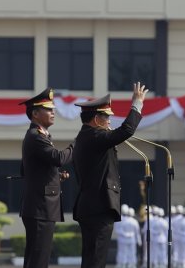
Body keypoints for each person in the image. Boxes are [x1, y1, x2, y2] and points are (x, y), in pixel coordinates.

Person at [72, 82, 148, 268]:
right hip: (98, 206)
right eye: (106, 117)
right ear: (96, 119)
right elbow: (126, 130)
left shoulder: (85, 137)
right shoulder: (94, 136)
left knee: (92, 259)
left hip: (91, 206)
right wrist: (136, 104)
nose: (109, 122)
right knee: (96, 260)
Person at [19, 88, 74, 268]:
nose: (53, 112)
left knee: (37, 259)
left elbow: (31, 170)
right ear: (35, 113)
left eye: (53, 109)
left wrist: (56, 177)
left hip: (40, 207)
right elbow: (58, 158)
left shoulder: (39, 135)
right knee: (38, 260)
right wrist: (76, 147)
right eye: (48, 109)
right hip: (40, 208)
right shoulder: (36, 136)